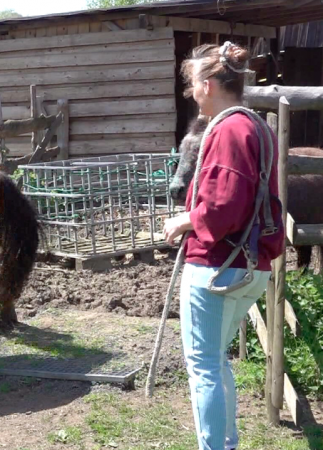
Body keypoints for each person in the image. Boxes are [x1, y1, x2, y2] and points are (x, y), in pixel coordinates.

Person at [162, 42, 285, 450]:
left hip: (218, 264)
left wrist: (185, 219)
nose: (191, 92)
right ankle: (226, 443)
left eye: (194, 84)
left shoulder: (229, 129)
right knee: (214, 361)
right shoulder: (255, 125)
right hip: (248, 264)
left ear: (211, 84)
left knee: (204, 366)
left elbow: (223, 206)